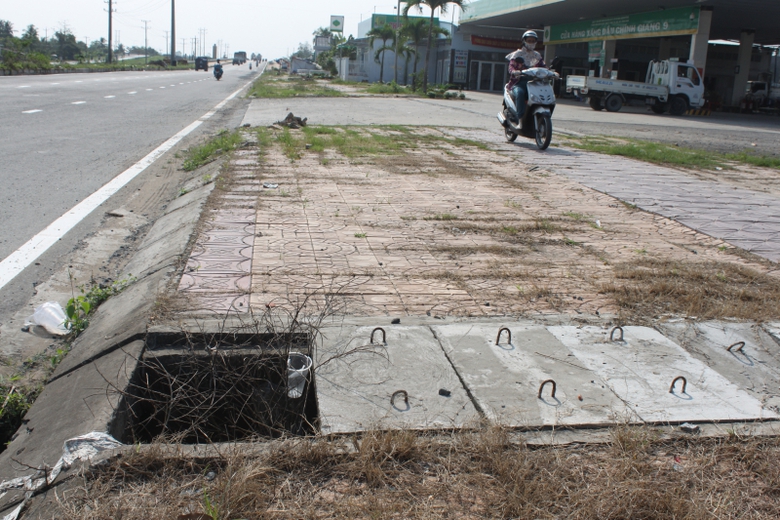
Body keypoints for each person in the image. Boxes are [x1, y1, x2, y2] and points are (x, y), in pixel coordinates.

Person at [506, 30, 546, 122]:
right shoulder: (518, 54)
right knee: (520, 93)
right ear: (524, 41)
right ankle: (520, 118)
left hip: (533, 83)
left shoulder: (537, 55)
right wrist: (514, 71)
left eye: (533, 41)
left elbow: (543, 66)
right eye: (529, 40)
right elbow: (511, 66)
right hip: (519, 82)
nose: (531, 43)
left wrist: (551, 72)